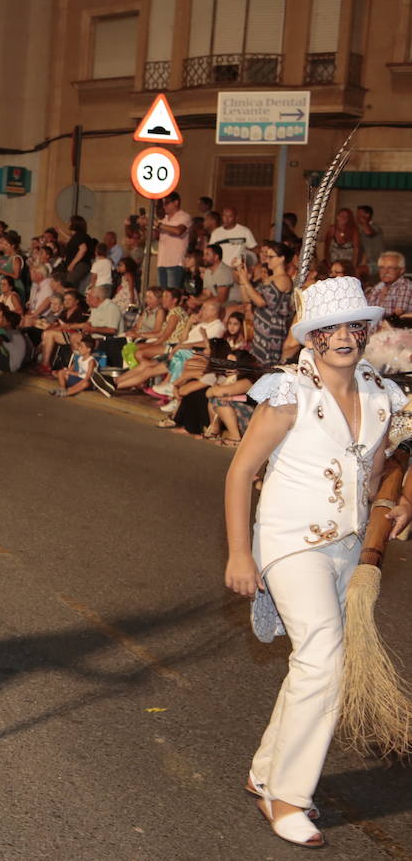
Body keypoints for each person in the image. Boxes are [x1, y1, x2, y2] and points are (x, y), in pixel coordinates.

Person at [224, 275, 406, 848]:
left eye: (355, 324)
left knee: (313, 661)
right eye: (331, 327)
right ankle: (287, 797)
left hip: (347, 547)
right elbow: (240, 473)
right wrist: (237, 551)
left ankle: (265, 770)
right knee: (324, 658)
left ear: (367, 331)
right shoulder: (287, 392)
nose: (345, 336)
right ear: (313, 335)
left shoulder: (382, 393)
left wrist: (399, 505)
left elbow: (384, 468)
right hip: (288, 541)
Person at [235, 242, 295, 367]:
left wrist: (246, 281)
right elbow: (248, 299)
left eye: (271, 257)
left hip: (271, 332)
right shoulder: (270, 278)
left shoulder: (283, 279)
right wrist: (242, 277)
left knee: (265, 369)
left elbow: (261, 302)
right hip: (261, 330)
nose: (267, 260)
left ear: (281, 258)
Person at [155, 192, 191, 289]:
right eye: (163, 203)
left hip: (175, 262)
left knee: (172, 293)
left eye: (166, 203)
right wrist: (146, 226)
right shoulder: (164, 219)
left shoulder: (184, 216)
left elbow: (178, 231)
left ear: (176, 202)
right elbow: (156, 236)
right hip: (162, 261)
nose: (164, 206)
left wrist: (159, 225)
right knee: (162, 294)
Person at [365, 251, 412, 320]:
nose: (385, 271)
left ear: (402, 270)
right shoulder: (377, 287)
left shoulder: (405, 286)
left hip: (395, 328)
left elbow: (397, 314)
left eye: (390, 268)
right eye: (382, 268)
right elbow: (367, 311)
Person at [322, 207, 362, 272]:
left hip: (347, 263)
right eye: (342, 215)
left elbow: (356, 249)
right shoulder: (332, 229)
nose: (343, 218)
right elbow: (326, 247)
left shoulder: (354, 230)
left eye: (346, 216)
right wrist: (328, 263)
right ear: (337, 217)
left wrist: (353, 266)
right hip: (333, 262)